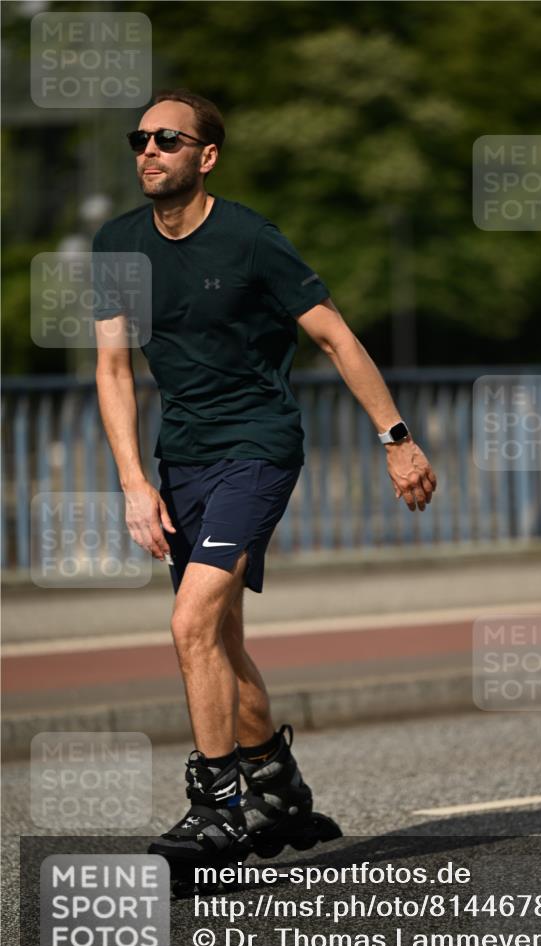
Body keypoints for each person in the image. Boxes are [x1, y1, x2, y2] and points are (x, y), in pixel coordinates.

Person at [94, 88, 437, 870]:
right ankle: (276, 786)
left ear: (205, 156)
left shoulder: (250, 239)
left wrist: (396, 439)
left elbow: (335, 337)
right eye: (139, 138)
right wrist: (130, 483)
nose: (148, 151)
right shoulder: (118, 245)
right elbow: (113, 369)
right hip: (180, 457)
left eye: (168, 140)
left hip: (257, 447)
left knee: (188, 624)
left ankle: (217, 808)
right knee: (215, 634)